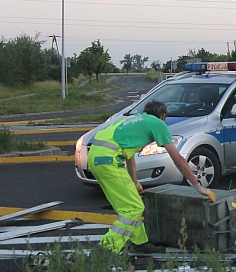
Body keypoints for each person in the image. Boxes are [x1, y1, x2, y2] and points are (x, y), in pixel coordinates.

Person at [88, 100, 216, 254]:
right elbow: (179, 160)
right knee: (133, 208)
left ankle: (141, 243)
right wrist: (197, 186)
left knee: (129, 205)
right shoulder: (158, 124)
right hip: (109, 161)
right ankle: (105, 249)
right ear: (163, 116)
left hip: (95, 158)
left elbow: (129, 156)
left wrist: (135, 182)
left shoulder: (134, 120)